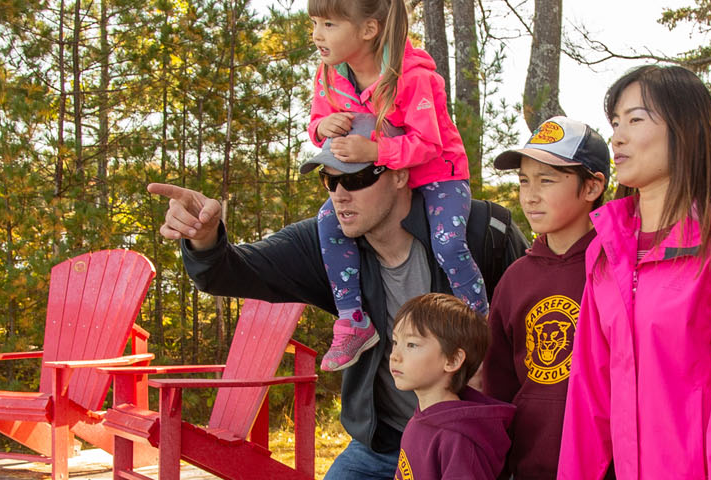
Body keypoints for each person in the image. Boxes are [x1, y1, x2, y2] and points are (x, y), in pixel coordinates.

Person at [147, 162, 524, 480]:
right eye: (330, 180)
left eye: (357, 178)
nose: (340, 194)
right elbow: (229, 271)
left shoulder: (477, 232)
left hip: (470, 445)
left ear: (399, 174)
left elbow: (543, 332)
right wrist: (206, 238)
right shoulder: (329, 246)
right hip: (384, 444)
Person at [484, 116, 711, 480]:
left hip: (623, 463)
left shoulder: (617, 264)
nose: (530, 195)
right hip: (533, 464)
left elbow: (684, 344)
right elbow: (499, 386)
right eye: (523, 181)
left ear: (592, 186)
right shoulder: (515, 279)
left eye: (547, 180)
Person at [560, 65, 711, 480]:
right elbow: (587, 398)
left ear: (683, 130)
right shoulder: (605, 252)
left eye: (635, 119)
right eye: (615, 122)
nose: (618, 137)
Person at [303, 0, 483, 372]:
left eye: (329, 24)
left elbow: (429, 143)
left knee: (448, 244)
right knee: (327, 222)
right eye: (315, 23)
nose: (317, 34)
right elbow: (317, 121)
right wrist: (323, 127)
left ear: (368, 30)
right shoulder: (329, 75)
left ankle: (479, 320)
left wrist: (375, 149)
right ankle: (353, 320)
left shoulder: (410, 76)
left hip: (438, 174)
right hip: (382, 182)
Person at [387, 293, 513, 480]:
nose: (395, 356)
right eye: (396, 342)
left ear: (453, 360)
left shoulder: (458, 438)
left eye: (412, 345)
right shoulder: (423, 418)